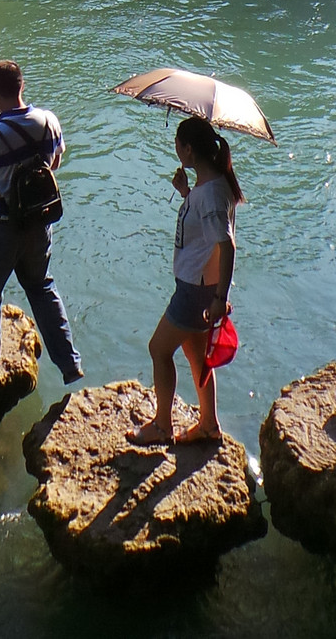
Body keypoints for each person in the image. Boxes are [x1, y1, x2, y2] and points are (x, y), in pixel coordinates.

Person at [0, 59, 82, 385]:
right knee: (42, 287)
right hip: (39, 223)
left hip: (0, 227)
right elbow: (54, 162)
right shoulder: (48, 122)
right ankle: (69, 362)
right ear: (22, 86)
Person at [130, 115, 242, 446]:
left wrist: (220, 297)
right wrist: (185, 193)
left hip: (196, 291)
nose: (176, 150)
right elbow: (207, 232)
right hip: (200, 287)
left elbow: (226, 244)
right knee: (196, 354)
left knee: (158, 349)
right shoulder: (213, 187)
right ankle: (208, 424)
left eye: (178, 145)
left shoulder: (209, 195)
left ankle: (162, 426)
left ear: (189, 150)